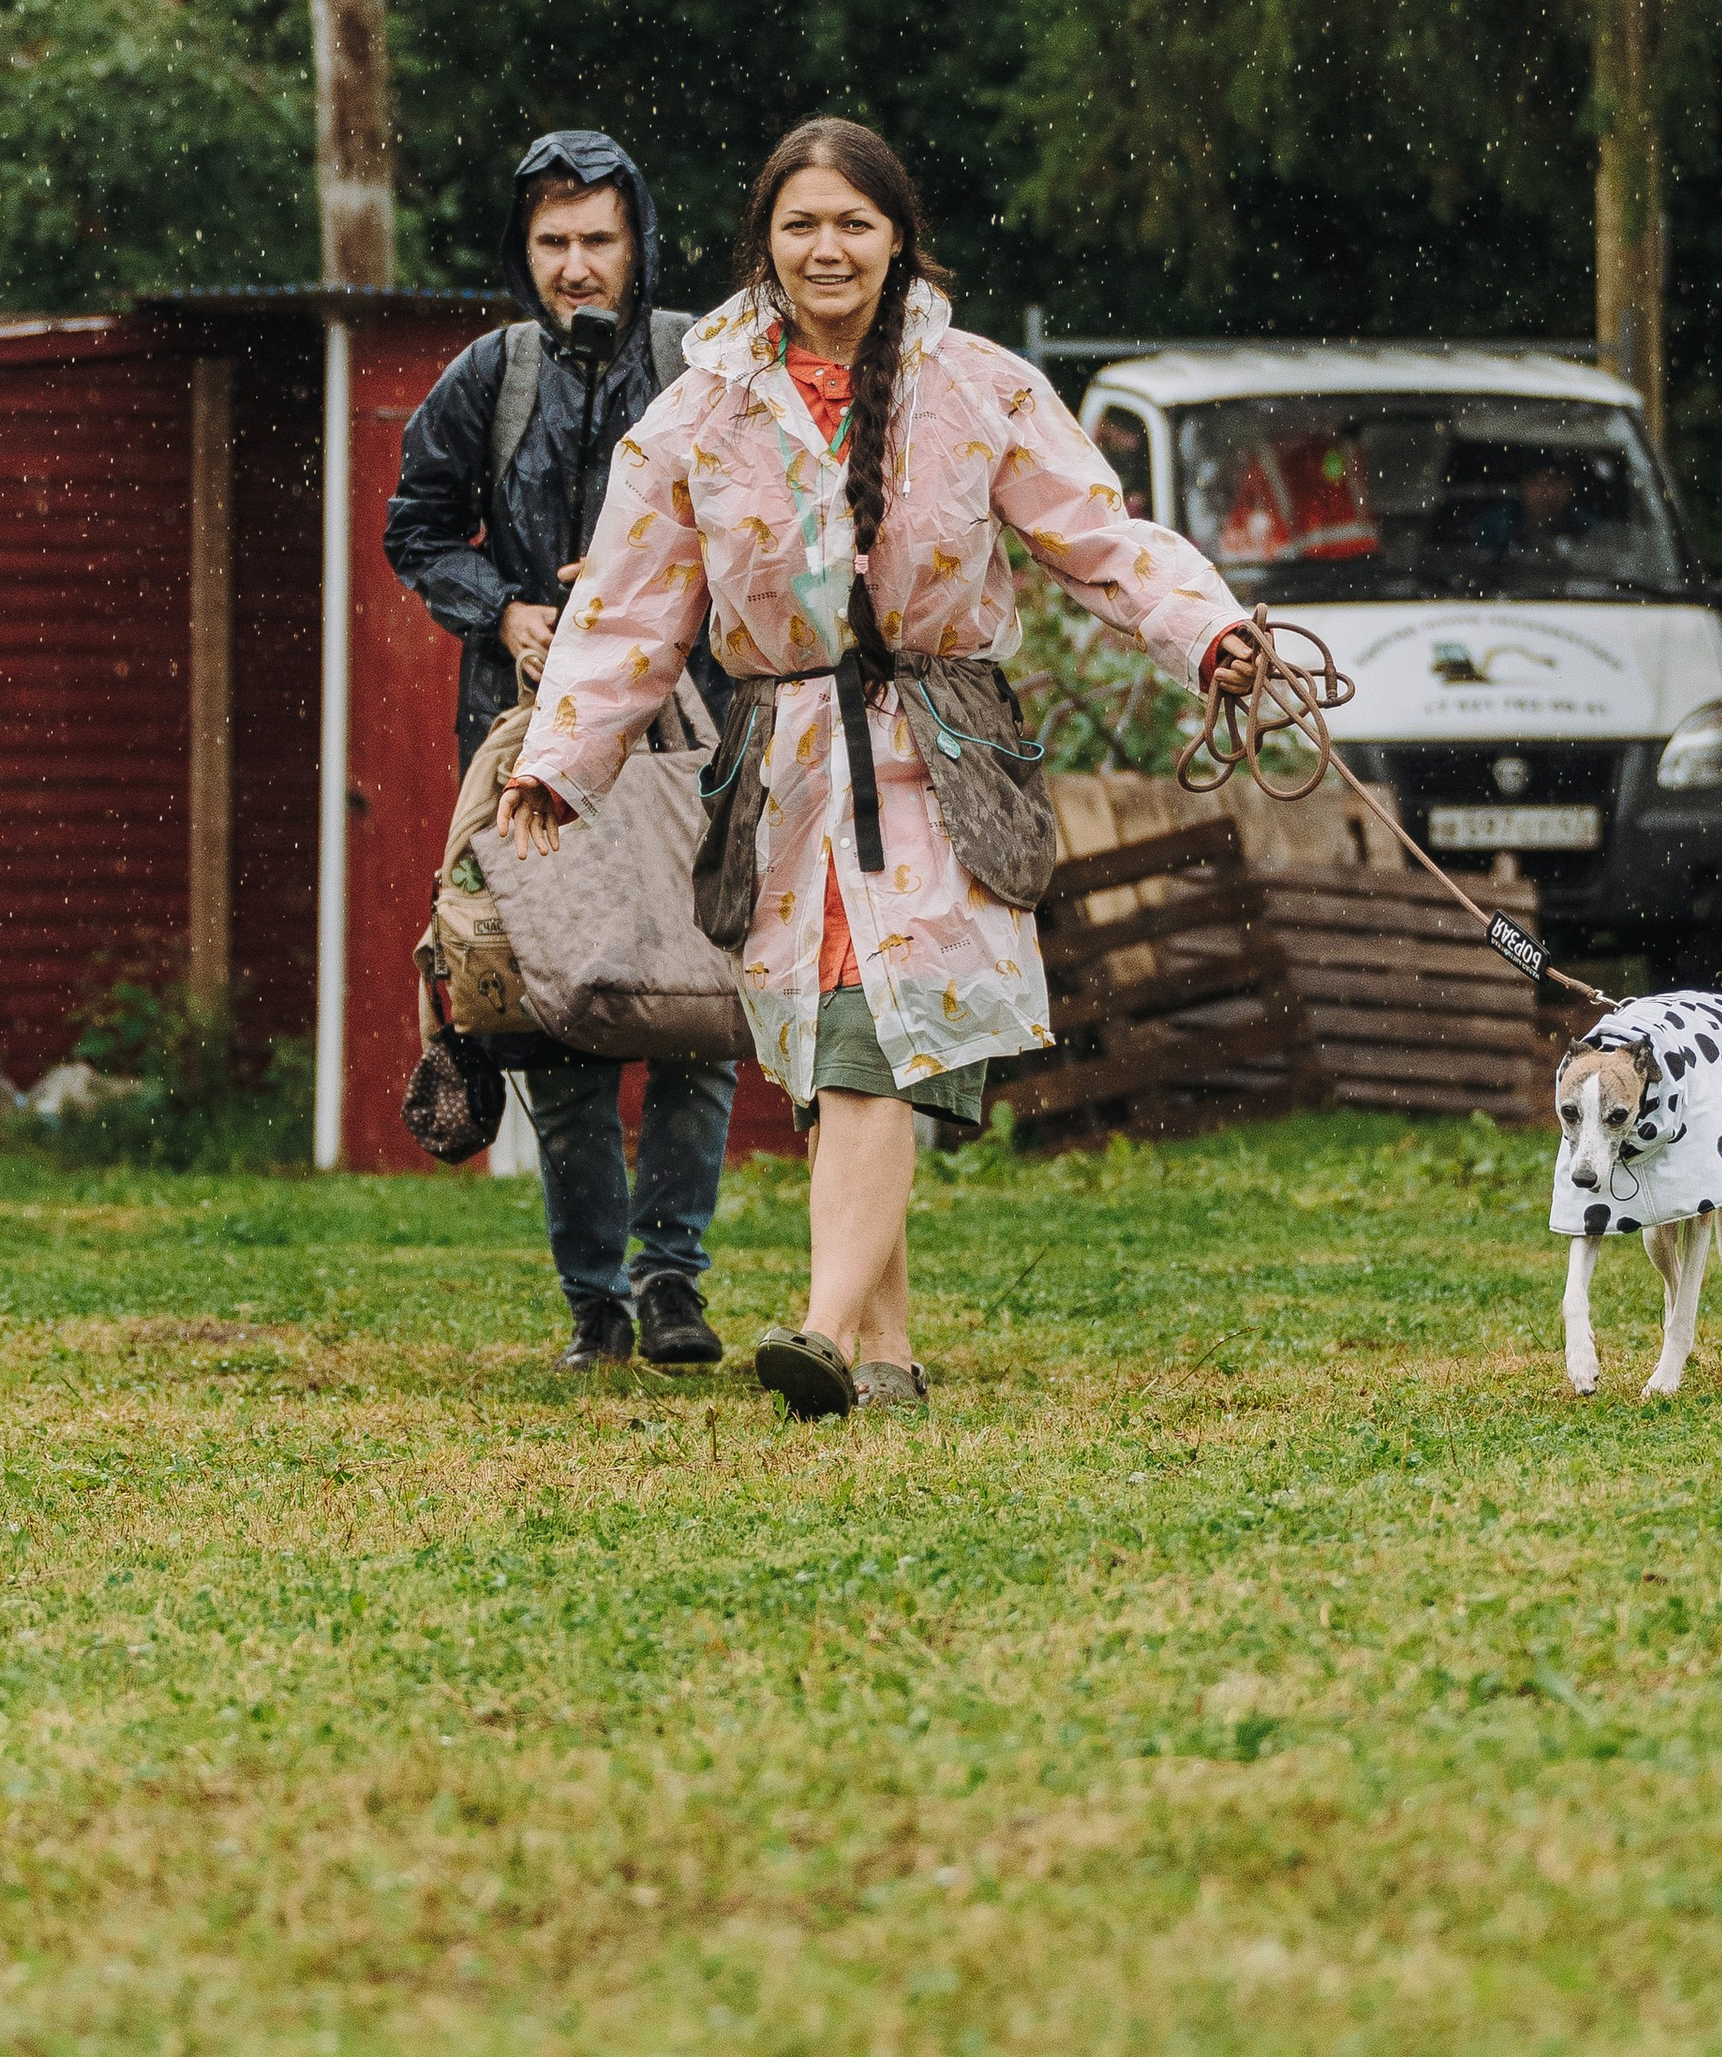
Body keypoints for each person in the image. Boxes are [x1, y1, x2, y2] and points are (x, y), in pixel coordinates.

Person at [498, 113, 1262, 1423]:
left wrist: (1209, 630)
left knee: (872, 1031)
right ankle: (891, 1355)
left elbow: (1103, 539)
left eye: (854, 221)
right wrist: (559, 757)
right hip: (785, 764)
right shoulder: (699, 409)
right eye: (800, 222)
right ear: (764, 241)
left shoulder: (978, 385)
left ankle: (819, 1326)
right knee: (843, 1047)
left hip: (940, 750)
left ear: (898, 236)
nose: (828, 247)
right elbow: (629, 607)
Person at [383, 129, 738, 1374]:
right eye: (552, 242)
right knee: (551, 1018)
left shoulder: (704, 364)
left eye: (597, 238)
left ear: (638, 243)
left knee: (702, 1009)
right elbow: (417, 527)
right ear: (522, 252)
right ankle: (595, 1304)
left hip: (695, 735)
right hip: (525, 738)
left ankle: (672, 1283)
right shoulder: (491, 375)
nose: (575, 264)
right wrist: (504, 609)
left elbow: (767, 517)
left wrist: (663, 578)